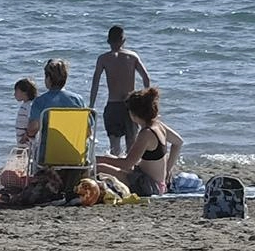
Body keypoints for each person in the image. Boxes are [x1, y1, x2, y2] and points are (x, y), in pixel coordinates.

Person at [95, 87, 183, 197]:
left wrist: (98, 159)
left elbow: (127, 164)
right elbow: (178, 142)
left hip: (148, 186)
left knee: (99, 167)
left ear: (133, 114)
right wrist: (167, 170)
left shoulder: (146, 133)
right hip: (154, 181)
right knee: (110, 158)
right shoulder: (158, 125)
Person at [89, 25, 152, 155]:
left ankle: (114, 171)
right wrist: (147, 102)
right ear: (124, 40)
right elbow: (146, 79)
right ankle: (129, 171)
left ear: (108, 41)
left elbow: (95, 82)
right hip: (130, 106)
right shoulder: (132, 56)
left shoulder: (103, 58)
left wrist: (91, 105)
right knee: (131, 144)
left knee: (114, 146)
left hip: (113, 105)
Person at [25, 59, 86, 146]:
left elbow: (32, 130)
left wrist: (27, 134)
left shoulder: (40, 101)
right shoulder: (78, 99)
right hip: (75, 153)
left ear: (48, 78)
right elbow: (87, 130)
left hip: (48, 154)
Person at [12, 77, 38, 147]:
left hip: (26, 142)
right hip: (22, 142)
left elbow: (34, 121)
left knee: (22, 156)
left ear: (25, 92)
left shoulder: (29, 106)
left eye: (16, 91)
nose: (14, 94)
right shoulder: (26, 105)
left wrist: (26, 135)